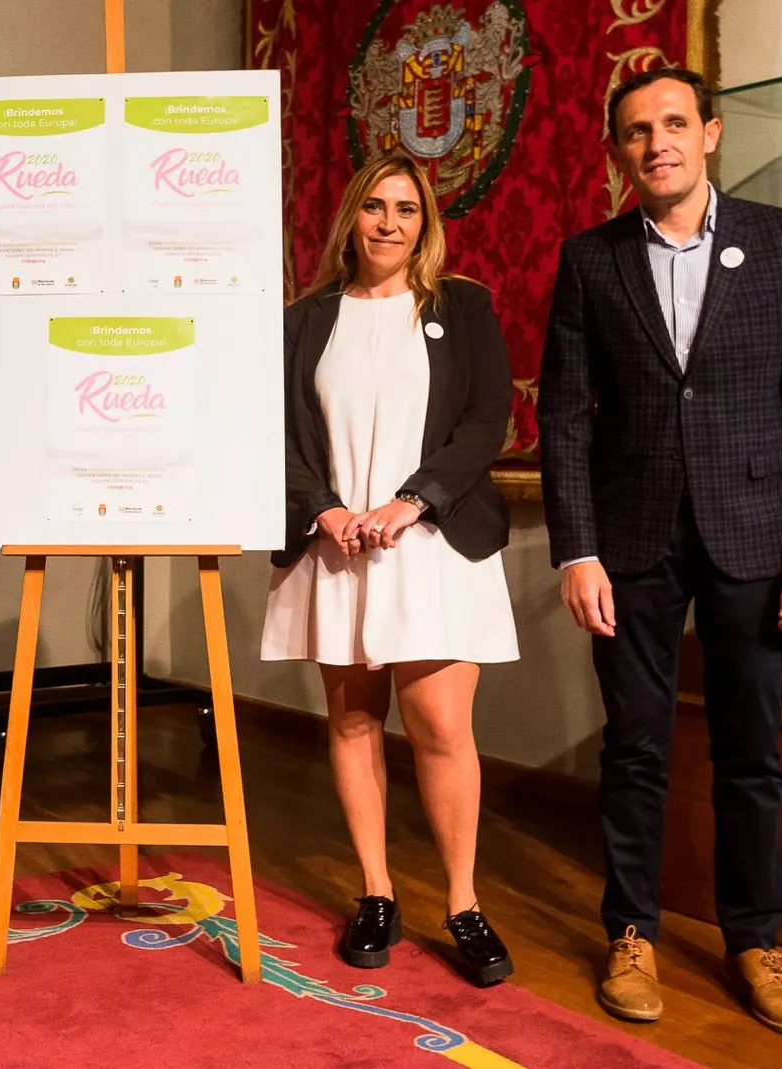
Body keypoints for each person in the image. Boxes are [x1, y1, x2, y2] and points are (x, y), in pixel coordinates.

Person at [537, 68, 782, 1036]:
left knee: (749, 753)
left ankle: (753, 939)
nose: (657, 143)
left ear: (709, 133)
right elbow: (561, 418)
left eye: (674, 123)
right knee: (632, 748)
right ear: (618, 151)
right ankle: (629, 929)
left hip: (755, 538)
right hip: (629, 542)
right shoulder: (589, 260)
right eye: (636, 131)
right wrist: (575, 551)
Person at [261, 152, 519, 986]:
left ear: (426, 223)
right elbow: (278, 433)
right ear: (351, 216)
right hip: (336, 545)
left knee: (442, 727)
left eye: (406, 209)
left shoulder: (463, 305)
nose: (388, 223)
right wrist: (325, 509)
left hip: (432, 540)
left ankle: (463, 903)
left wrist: (413, 500)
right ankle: (376, 892)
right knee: (351, 720)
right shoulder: (306, 320)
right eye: (374, 206)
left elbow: (487, 420)